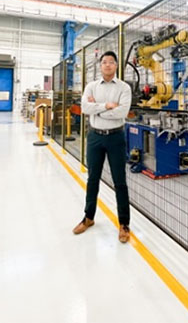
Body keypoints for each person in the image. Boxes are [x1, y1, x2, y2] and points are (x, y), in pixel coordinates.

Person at [73, 50, 132, 243]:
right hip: (95, 138)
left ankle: (124, 224)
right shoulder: (91, 86)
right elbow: (84, 109)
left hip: (116, 137)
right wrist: (107, 106)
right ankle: (88, 217)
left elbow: (122, 113)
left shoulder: (124, 88)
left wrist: (97, 109)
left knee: (120, 182)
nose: (107, 65)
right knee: (93, 179)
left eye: (111, 62)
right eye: (104, 62)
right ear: (100, 66)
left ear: (116, 66)